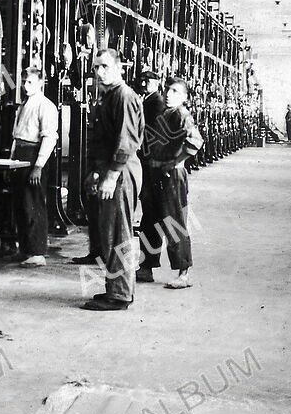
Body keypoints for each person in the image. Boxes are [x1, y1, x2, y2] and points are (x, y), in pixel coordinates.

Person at [77, 49, 145, 311]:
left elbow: (125, 142)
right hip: (111, 171)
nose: (99, 72)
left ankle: (119, 295)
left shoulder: (124, 96)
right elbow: (103, 141)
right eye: (96, 67)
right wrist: (97, 171)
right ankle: (114, 288)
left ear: (119, 68)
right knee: (110, 233)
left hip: (122, 172)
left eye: (105, 66)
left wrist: (112, 175)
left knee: (119, 233)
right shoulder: (109, 97)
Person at [144, 78, 204, 289]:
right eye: (168, 90)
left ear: (184, 97)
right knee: (150, 220)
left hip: (171, 176)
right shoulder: (165, 114)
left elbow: (195, 142)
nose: (169, 94)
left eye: (175, 91)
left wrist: (174, 163)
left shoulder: (181, 114)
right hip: (156, 173)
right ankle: (146, 266)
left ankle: (183, 272)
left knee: (173, 222)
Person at [9, 67, 58, 267]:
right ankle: (26, 249)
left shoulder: (46, 106)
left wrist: (38, 166)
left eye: (29, 82)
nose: (25, 85)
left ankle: (38, 252)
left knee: (34, 204)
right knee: (21, 204)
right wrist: (11, 160)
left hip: (33, 156)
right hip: (20, 156)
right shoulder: (23, 105)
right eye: (23, 81)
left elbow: (49, 137)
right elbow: (16, 137)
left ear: (40, 83)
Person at [136, 70, 166, 283]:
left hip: (152, 165)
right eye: (143, 80)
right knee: (149, 213)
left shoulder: (156, 103)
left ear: (158, 83)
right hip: (148, 163)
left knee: (152, 214)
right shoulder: (147, 100)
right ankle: (147, 263)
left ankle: (147, 265)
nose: (145, 83)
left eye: (149, 81)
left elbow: (153, 135)